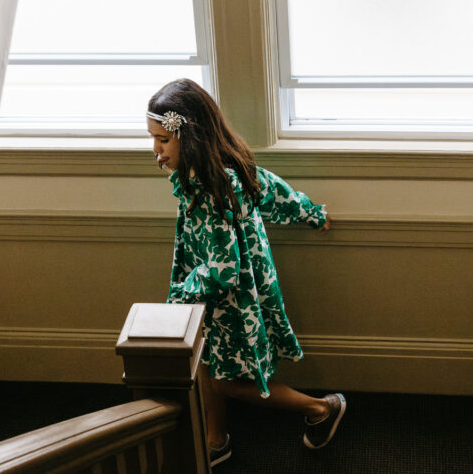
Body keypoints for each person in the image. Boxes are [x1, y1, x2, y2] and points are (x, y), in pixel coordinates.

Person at [146, 79, 346, 467]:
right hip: (219, 293)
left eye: (162, 141)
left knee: (224, 379)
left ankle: (322, 408)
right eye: (152, 139)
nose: (155, 151)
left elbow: (223, 270)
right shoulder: (222, 167)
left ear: (189, 137)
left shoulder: (213, 187)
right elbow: (272, 190)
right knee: (207, 360)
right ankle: (216, 437)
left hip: (232, 299)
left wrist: (178, 298)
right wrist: (309, 213)